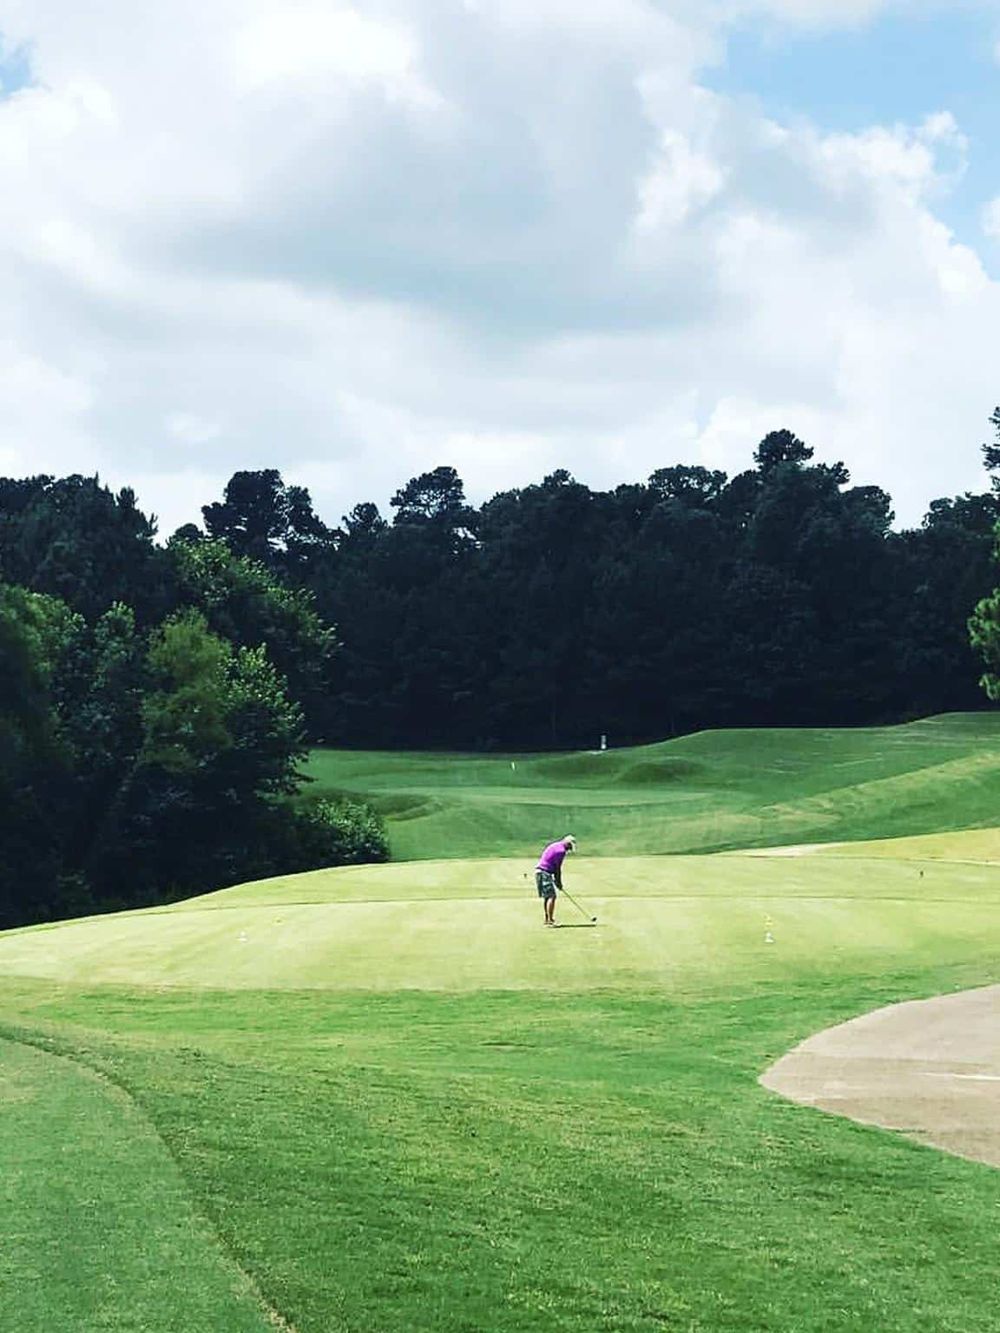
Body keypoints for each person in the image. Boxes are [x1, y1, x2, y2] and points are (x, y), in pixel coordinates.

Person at [535, 835, 576, 926]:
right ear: (567, 844)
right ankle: (550, 921)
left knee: (547, 896)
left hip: (540, 872)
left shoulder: (556, 845)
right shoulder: (561, 851)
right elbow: (557, 868)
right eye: (570, 847)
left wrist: (557, 881)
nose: (569, 850)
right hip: (544, 872)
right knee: (552, 896)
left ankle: (547, 919)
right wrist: (559, 882)